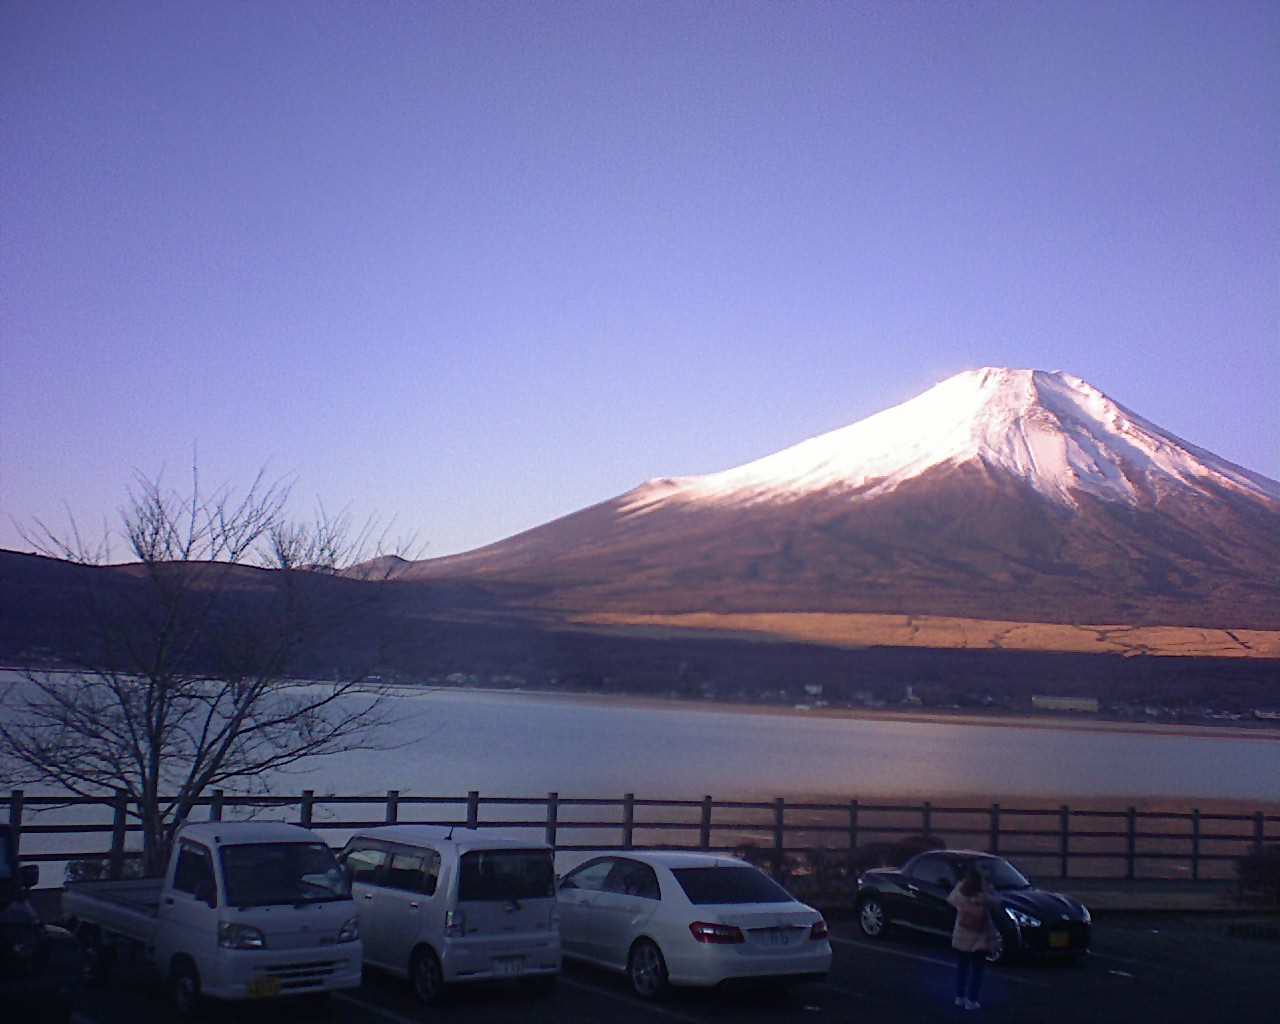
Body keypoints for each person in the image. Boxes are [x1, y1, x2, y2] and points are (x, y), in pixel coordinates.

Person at [947, 863, 996, 1011]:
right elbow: (997, 903)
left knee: (962, 968)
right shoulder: (985, 894)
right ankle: (972, 1000)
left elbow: (951, 900)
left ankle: (959, 997)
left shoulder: (960, 890)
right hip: (979, 936)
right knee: (977, 970)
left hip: (962, 933)